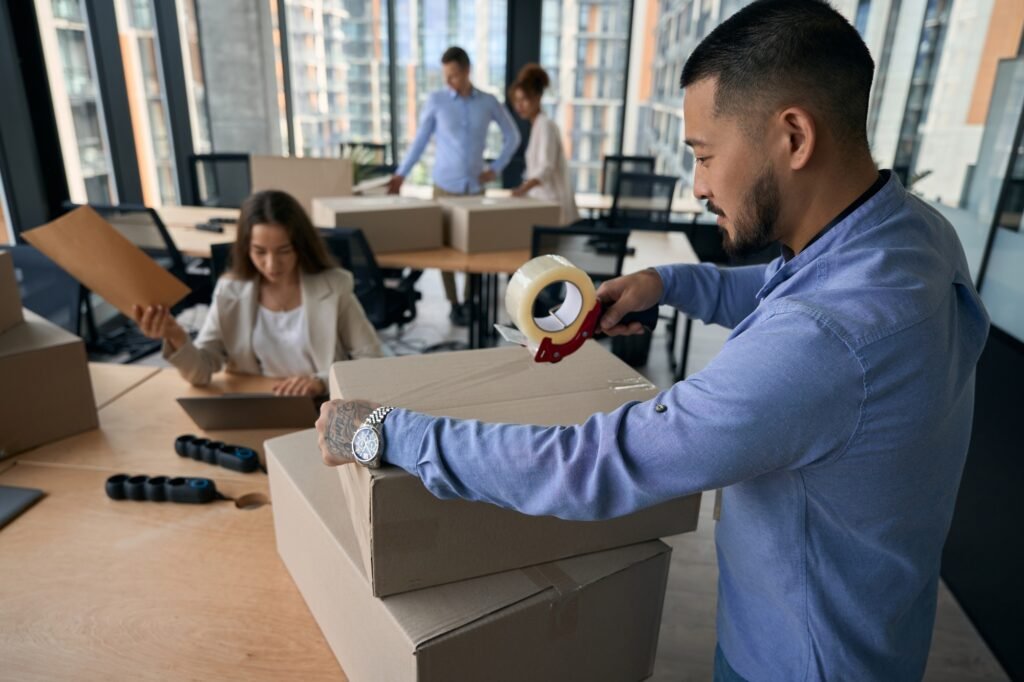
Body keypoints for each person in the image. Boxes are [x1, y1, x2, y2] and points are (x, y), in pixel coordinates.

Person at [316, 1, 990, 679]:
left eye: (705, 155)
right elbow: (792, 290)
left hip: (795, 658)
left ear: (793, 137)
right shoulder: (913, 234)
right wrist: (666, 282)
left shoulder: (823, 345)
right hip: (879, 623)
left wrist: (385, 431)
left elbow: (594, 464)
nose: (697, 186)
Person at [133, 190, 383, 397]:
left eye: (283, 251)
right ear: (245, 249)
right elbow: (201, 372)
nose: (272, 265)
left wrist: (321, 381)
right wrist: (176, 335)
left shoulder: (334, 286)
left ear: (300, 246)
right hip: (260, 403)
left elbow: (372, 361)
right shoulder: (230, 291)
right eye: (260, 252)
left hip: (322, 405)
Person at [387, 46, 521, 326]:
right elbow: (420, 141)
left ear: (467, 71)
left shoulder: (488, 101)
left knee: (475, 252)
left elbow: (513, 137)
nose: (449, 82)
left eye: (455, 75)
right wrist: (401, 174)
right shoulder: (436, 101)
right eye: (446, 76)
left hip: (474, 190)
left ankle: (471, 300)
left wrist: (495, 169)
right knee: (444, 250)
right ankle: (454, 303)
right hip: (443, 187)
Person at [508, 63, 579, 226]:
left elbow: (546, 168)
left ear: (537, 97)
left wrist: (522, 189)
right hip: (543, 202)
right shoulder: (537, 126)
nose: (519, 106)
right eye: (516, 100)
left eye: (524, 99)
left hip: (553, 204)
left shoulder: (545, 125)